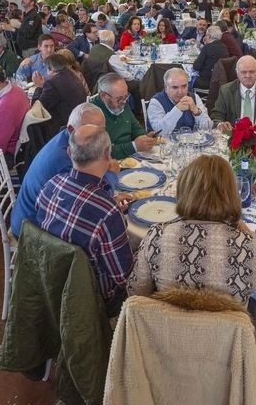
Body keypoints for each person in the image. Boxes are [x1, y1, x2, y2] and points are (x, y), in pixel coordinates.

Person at [127, 154, 256, 306]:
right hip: (228, 335)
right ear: (232, 194)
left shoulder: (157, 236)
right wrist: (246, 230)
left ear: (184, 191)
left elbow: (136, 292)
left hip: (169, 333)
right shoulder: (252, 244)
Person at [37, 125, 134, 313]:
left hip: (51, 282)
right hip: (94, 298)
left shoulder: (51, 185)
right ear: (108, 154)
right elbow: (124, 277)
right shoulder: (108, 213)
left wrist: (108, 204)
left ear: (69, 152)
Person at [11, 103, 121, 236]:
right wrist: (112, 174)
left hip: (37, 216)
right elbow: (91, 203)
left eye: (101, 131)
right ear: (71, 129)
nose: (98, 141)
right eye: (88, 132)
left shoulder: (69, 140)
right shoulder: (67, 160)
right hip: (32, 231)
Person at [92, 73, 157, 159]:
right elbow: (102, 153)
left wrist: (145, 138)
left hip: (130, 156)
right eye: (119, 99)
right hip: (110, 163)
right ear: (104, 97)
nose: (124, 102)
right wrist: (133, 146)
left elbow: (135, 128)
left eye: (126, 96)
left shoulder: (121, 103)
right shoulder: (92, 114)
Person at [31, 53, 90, 135]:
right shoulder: (71, 74)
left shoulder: (52, 84)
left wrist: (39, 87)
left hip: (64, 129)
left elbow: (36, 109)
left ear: (51, 69)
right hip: (79, 120)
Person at [147, 67, 213, 135]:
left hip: (192, 143)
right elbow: (160, 133)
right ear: (166, 88)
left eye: (184, 86)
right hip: (166, 144)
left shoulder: (194, 98)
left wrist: (196, 111)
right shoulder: (156, 102)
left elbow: (208, 128)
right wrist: (177, 110)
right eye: (175, 87)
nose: (180, 92)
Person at [191, 25, 230, 90]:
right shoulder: (224, 47)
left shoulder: (207, 48)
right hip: (220, 80)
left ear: (209, 36)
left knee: (186, 78)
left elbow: (196, 67)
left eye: (206, 36)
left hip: (206, 81)